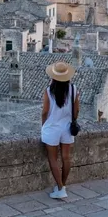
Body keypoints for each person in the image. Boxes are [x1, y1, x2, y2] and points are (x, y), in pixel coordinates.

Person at [41, 61, 79, 199]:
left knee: (53, 158)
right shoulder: (74, 89)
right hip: (67, 127)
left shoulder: (48, 91)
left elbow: (45, 112)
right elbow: (76, 110)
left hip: (52, 127)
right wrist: (72, 119)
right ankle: (62, 184)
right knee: (66, 158)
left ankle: (60, 188)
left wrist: (43, 124)